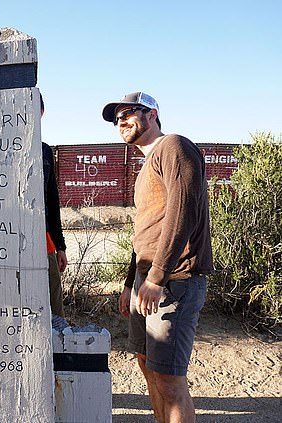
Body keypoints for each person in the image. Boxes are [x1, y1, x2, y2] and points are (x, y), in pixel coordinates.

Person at [102, 92, 213, 422]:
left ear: (151, 114)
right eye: (115, 118)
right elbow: (145, 231)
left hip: (173, 281)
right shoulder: (147, 165)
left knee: (169, 380)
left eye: (128, 113)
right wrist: (130, 283)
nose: (121, 121)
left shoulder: (173, 146)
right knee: (147, 366)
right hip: (146, 282)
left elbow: (184, 212)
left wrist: (156, 276)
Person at [40, 94, 68, 331]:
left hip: (43, 236)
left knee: (52, 292)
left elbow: (52, 199)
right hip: (6, 235)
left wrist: (60, 246)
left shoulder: (44, 151)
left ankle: (59, 345)